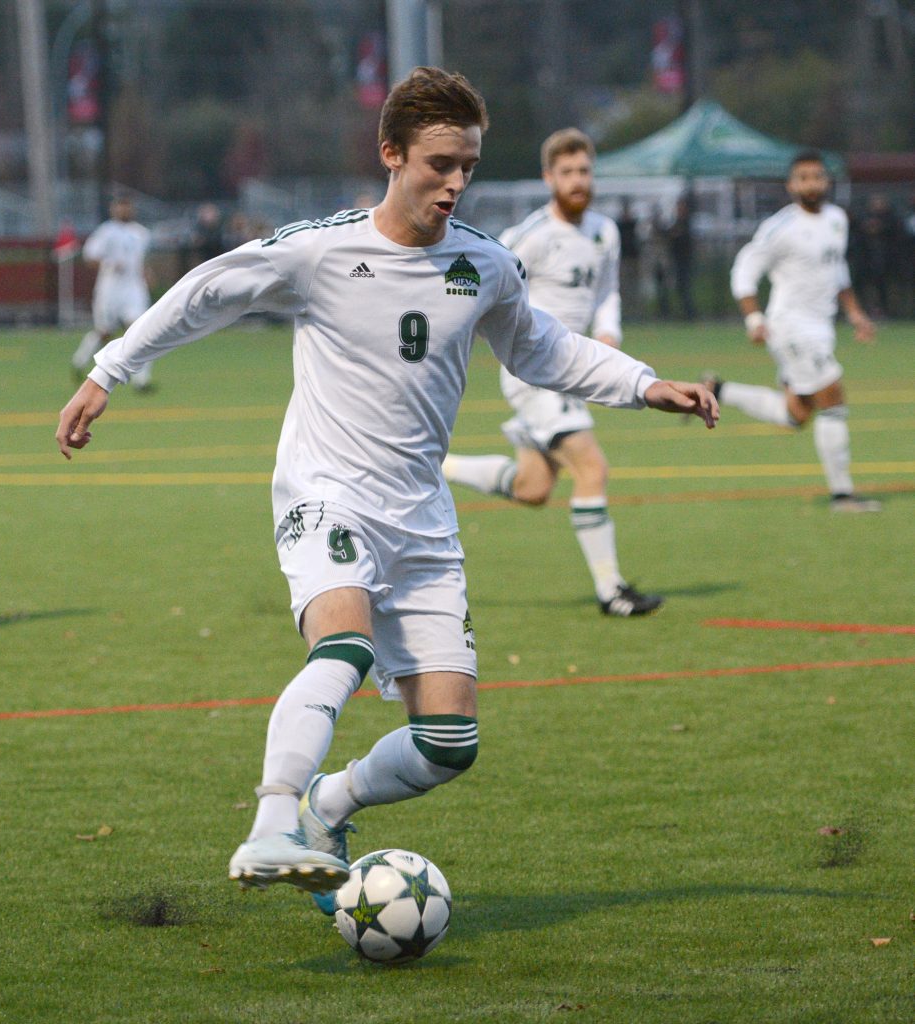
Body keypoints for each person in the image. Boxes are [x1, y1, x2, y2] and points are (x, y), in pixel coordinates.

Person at [56, 68, 718, 911]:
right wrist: (111, 369)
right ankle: (270, 822)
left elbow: (545, 349)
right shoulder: (322, 250)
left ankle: (328, 803)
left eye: (469, 166)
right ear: (392, 153)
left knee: (449, 741)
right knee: (344, 646)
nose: (456, 182)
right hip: (326, 491)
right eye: (440, 163)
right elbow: (205, 290)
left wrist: (646, 384)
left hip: (422, 518)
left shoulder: (483, 264)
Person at [442, 128, 663, 617]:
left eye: (584, 170)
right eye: (567, 172)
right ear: (548, 178)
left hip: (573, 370)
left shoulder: (605, 231)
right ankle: (612, 592)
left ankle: (437, 467)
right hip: (535, 371)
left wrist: (608, 332)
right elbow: (483, 275)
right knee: (592, 468)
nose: (578, 180)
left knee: (534, 488)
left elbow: (607, 292)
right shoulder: (532, 236)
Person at [708, 150, 880, 513]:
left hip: (820, 328)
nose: (811, 183)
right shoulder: (779, 227)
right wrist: (754, 320)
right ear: (791, 184)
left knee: (797, 415)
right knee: (833, 398)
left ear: (826, 181)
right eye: (803, 177)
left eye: (817, 176)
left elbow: (838, 270)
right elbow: (744, 271)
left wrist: (856, 314)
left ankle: (718, 390)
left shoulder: (836, 219)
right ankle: (843, 496)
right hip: (790, 327)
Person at [70, 194, 154, 392]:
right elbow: (89, 257)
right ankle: (79, 360)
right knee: (105, 332)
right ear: (113, 209)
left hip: (134, 289)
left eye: (127, 206)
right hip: (109, 289)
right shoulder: (106, 232)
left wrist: (147, 273)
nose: (124, 210)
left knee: (141, 331)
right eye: (120, 207)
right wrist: (109, 264)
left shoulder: (141, 233)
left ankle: (142, 381)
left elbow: (140, 259)